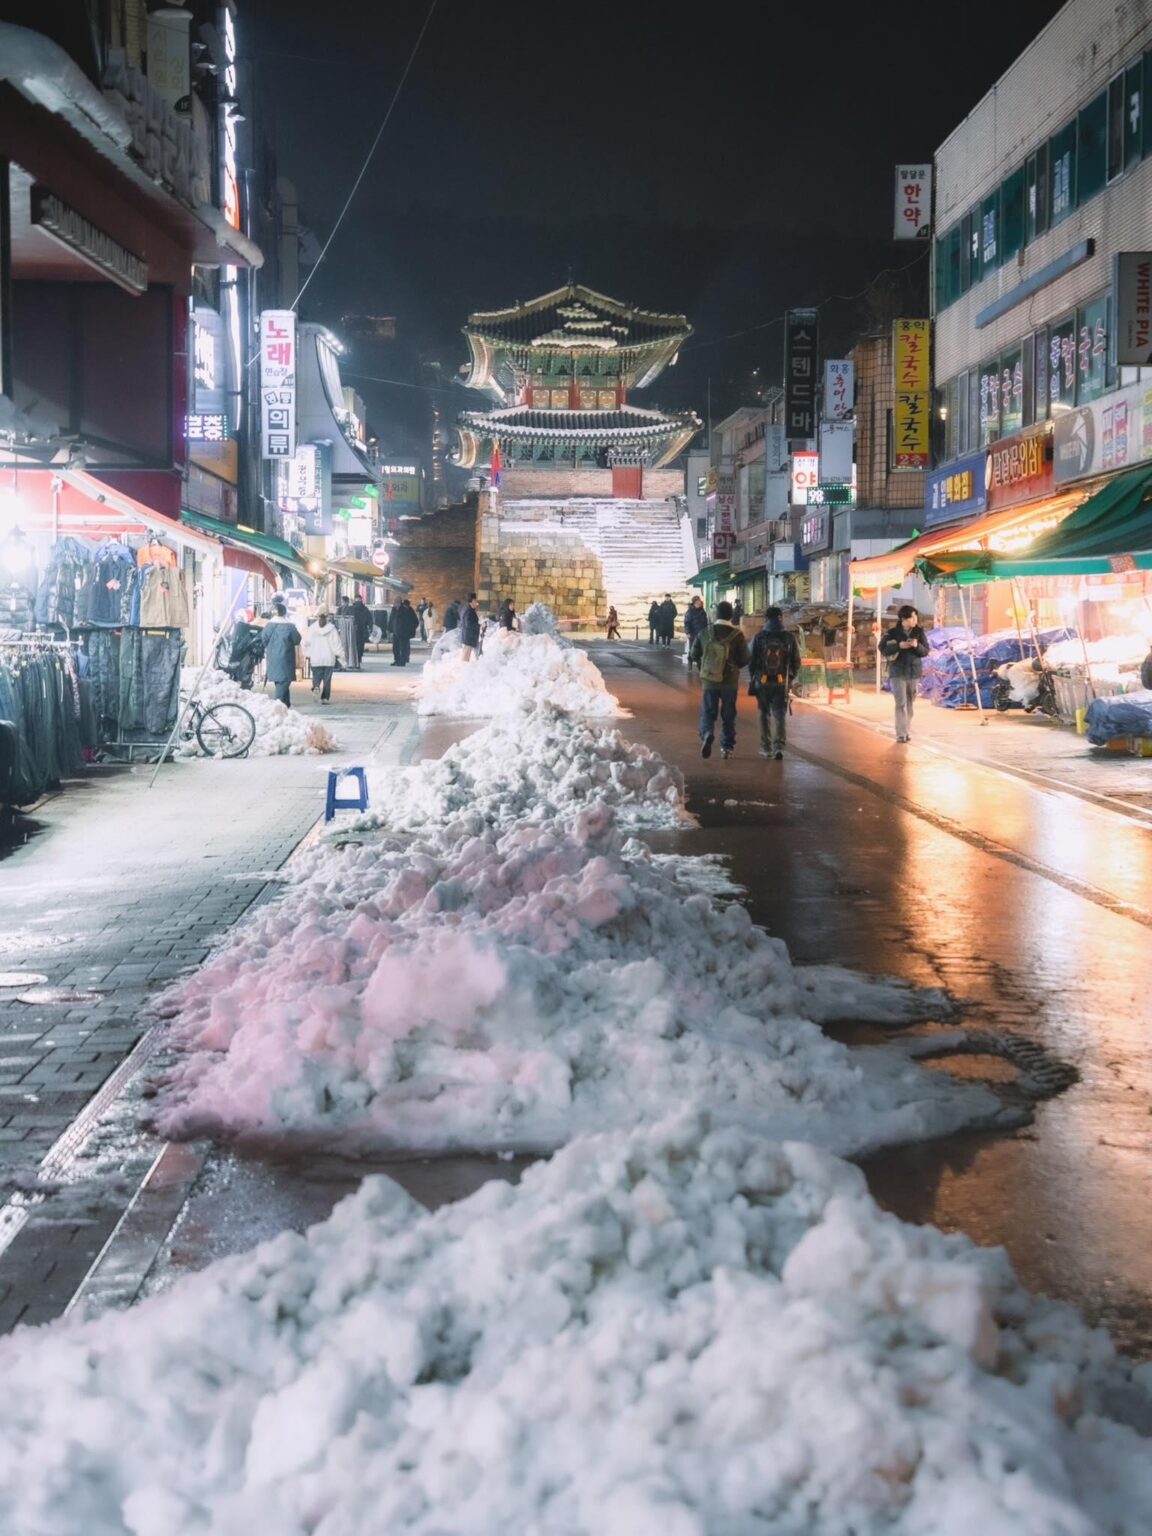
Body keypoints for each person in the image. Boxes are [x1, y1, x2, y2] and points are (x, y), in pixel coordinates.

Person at [691, 599, 751, 759]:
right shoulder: (737, 635)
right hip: (729, 682)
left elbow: (693, 654)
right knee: (729, 713)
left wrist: (704, 666)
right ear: (731, 616)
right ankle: (727, 747)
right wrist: (733, 666)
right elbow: (745, 658)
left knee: (708, 710)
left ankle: (707, 733)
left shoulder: (705, 632)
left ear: (716, 614)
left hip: (710, 680)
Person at [749, 607, 801, 760]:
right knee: (780, 714)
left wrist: (755, 676)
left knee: (764, 714)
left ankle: (766, 748)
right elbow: (796, 661)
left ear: (766, 619)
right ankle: (779, 747)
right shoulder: (789, 638)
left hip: (762, 681)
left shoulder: (758, 637)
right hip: (781, 681)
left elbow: (750, 660)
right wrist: (790, 678)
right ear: (780, 618)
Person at [879, 604, 930, 743]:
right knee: (900, 703)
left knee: (910, 703)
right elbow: (882, 648)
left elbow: (925, 651)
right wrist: (898, 646)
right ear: (903, 618)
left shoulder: (919, 632)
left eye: (915, 617)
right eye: (912, 617)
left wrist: (916, 646)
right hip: (897, 671)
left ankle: (906, 728)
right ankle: (901, 733)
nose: (915, 619)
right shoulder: (893, 632)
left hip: (913, 672)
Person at [262, 597, 302, 708]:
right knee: (283, 683)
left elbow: (263, 640)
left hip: (273, 658)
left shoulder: (269, 626)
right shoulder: (290, 626)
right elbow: (297, 640)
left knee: (280, 683)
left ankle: (286, 705)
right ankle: (279, 707)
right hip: (286, 659)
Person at [302, 609, 345, 703]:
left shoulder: (312, 628)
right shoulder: (332, 629)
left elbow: (306, 643)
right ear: (327, 618)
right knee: (327, 680)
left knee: (316, 676)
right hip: (329, 658)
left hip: (316, 658)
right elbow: (336, 644)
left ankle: (316, 687)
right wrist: (342, 657)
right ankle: (325, 698)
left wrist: (307, 654)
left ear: (317, 618)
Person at [391, 595, 420, 666]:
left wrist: (408, 630)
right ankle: (397, 660)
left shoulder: (405, 610)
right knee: (395, 647)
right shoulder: (394, 610)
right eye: (395, 603)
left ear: (400, 603)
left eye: (396, 603)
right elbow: (392, 620)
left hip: (403, 633)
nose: (395, 604)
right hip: (395, 632)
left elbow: (410, 621)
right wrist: (390, 629)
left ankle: (402, 661)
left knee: (403, 647)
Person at [683, 595, 709, 668]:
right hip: (693, 633)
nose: (699, 603)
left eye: (699, 601)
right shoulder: (690, 611)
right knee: (692, 649)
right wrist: (688, 632)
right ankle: (690, 661)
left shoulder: (703, 611)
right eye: (697, 602)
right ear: (694, 603)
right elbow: (687, 623)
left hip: (702, 633)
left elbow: (705, 622)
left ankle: (699, 664)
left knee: (701, 649)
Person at [350, 596, 373, 666]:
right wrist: (370, 628)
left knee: (353, 646)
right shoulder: (365, 609)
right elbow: (370, 620)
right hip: (363, 630)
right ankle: (359, 660)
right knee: (360, 646)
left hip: (354, 630)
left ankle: (354, 660)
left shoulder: (352, 609)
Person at [460, 592, 481, 661]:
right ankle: (462, 670)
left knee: (468, 656)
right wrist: (479, 625)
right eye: (475, 601)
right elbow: (469, 624)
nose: (476, 603)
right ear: (472, 601)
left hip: (469, 636)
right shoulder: (469, 611)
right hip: (468, 637)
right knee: (465, 659)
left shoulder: (468, 609)